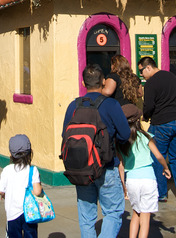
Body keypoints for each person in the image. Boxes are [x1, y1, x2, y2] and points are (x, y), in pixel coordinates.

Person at [63, 64, 130, 238]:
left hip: (81, 168)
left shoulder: (73, 106)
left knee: (86, 217)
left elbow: (65, 136)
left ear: (83, 83)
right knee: (113, 212)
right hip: (106, 166)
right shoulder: (111, 105)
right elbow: (124, 134)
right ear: (103, 81)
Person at [137, 56, 176, 203]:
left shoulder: (150, 83)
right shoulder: (171, 76)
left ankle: (161, 193)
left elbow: (149, 106)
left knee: (158, 157)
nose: (141, 74)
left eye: (142, 71)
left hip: (161, 124)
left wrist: (145, 117)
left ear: (148, 67)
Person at [116, 104, 171, 238]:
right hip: (148, 180)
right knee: (145, 219)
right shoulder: (146, 136)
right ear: (138, 120)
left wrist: (123, 186)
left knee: (136, 212)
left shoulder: (120, 141)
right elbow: (158, 155)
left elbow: (121, 166)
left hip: (132, 181)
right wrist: (165, 167)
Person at [0, 134, 44, 238]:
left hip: (12, 214)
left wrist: (4, 194)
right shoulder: (33, 170)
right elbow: (37, 191)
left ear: (11, 154)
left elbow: (0, 190)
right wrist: (40, 186)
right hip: (30, 213)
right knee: (30, 235)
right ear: (30, 152)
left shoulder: (7, 170)